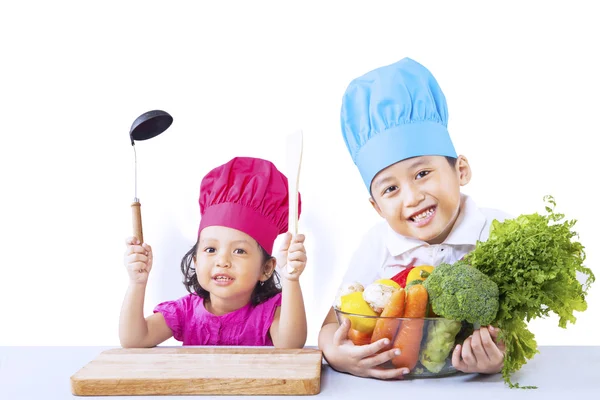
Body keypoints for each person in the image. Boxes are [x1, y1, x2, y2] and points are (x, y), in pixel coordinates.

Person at [318, 57, 508, 379]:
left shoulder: (496, 231)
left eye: (422, 173)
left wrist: (497, 360)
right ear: (377, 207)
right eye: (390, 188)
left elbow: (517, 332)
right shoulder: (378, 243)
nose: (412, 197)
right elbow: (330, 327)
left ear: (460, 170)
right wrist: (337, 355)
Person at [119, 156, 308, 348]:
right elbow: (135, 340)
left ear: (266, 269)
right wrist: (137, 283)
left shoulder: (270, 313)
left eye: (239, 251)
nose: (222, 261)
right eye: (211, 249)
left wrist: (291, 278)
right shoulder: (185, 312)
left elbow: (291, 346)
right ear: (195, 260)